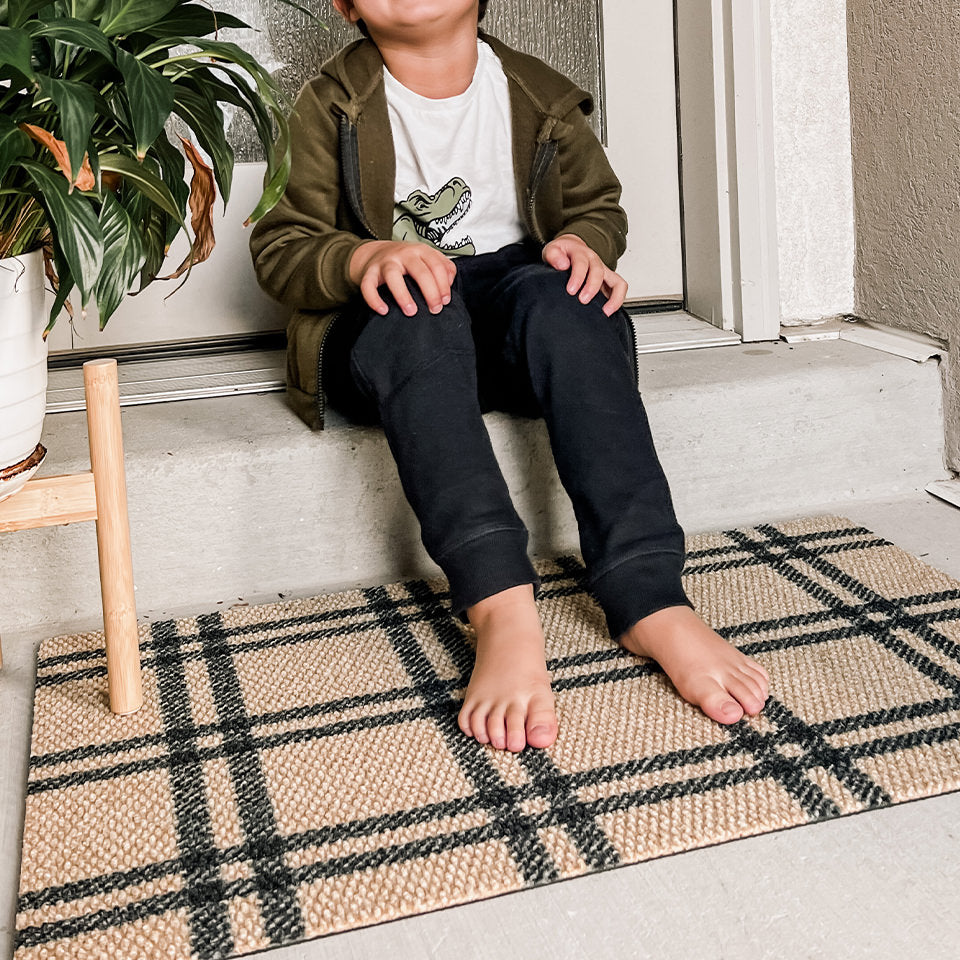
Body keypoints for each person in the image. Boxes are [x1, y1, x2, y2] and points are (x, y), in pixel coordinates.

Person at [250, 0, 770, 754]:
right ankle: (498, 603)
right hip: (394, 333)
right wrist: (363, 258)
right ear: (344, 4)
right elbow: (282, 246)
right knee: (418, 311)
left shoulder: (540, 94)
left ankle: (648, 591)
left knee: (565, 301)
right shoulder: (328, 103)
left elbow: (598, 209)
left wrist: (585, 246)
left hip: (510, 325)